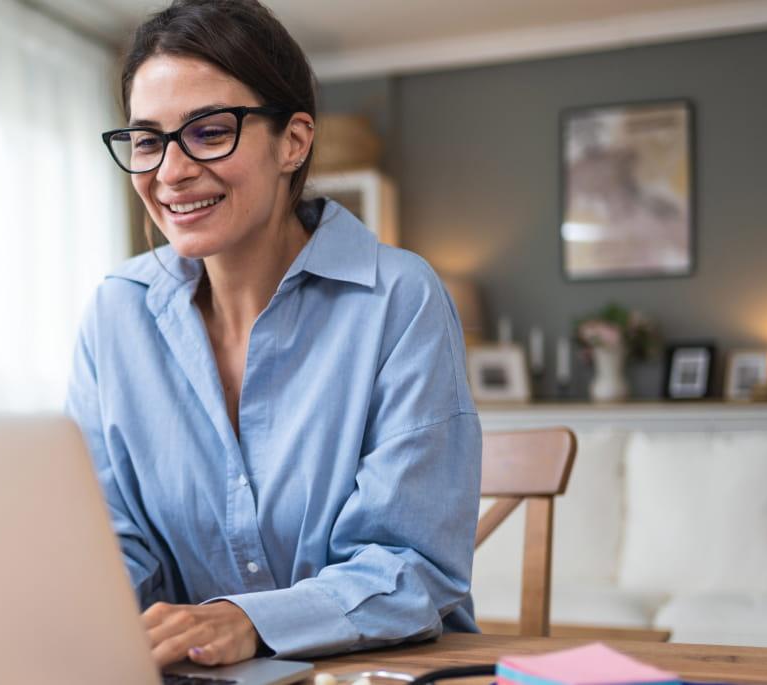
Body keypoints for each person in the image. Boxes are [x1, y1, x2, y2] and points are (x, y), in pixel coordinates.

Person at [65, 0, 482, 669]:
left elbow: (413, 565)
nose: (170, 170)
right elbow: (112, 543)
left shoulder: (399, 299)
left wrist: (248, 619)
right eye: (148, 139)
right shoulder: (117, 314)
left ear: (293, 141)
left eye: (208, 131)